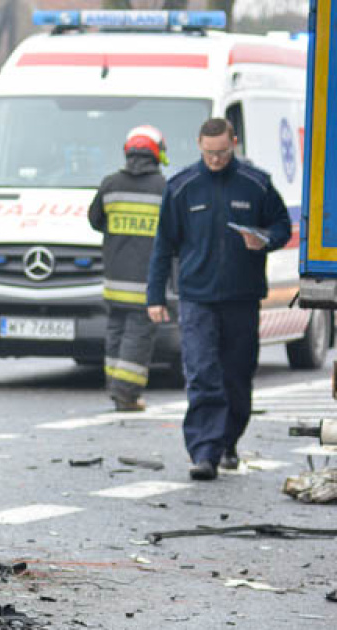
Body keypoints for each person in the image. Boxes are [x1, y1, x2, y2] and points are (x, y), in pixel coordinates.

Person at [145, 118, 291, 481]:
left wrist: (265, 240)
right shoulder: (182, 187)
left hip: (242, 298)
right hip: (197, 298)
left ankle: (228, 441)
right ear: (199, 145)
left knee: (237, 377)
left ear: (234, 144)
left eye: (222, 152)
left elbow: (282, 226)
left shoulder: (256, 184)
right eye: (209, 153)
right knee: (202, 372)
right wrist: (155, 295)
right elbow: (163, 244)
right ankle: (204, 452)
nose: (215, 160)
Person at [88, 125, 169, 412]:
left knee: (115, 333)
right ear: (158, 154)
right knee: (137, 336)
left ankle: (115, 388)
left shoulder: (110, 184)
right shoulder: (163, 189)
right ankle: (127, 395)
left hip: (114, 279)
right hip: (145, 282)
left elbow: (95, 220)